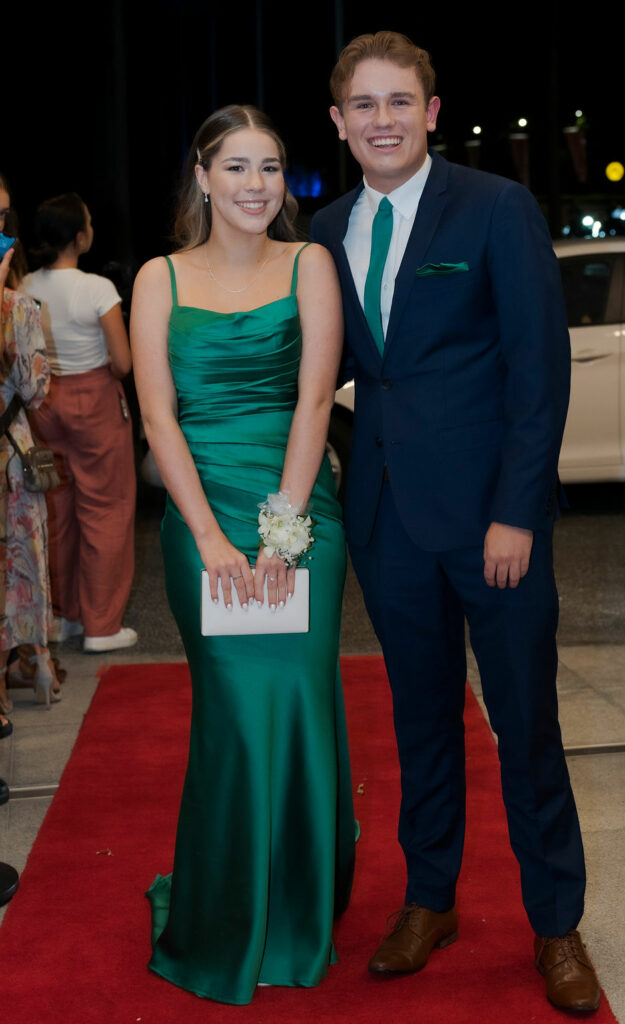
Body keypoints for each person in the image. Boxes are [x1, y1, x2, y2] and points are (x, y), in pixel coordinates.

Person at [311, 31, 600, 1014]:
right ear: (338, 121)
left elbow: (536, 370)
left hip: (491, 524)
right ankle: (429, 899)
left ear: (430, 112)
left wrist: (516, 511)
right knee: (419, 720)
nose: (382, 119)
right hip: (384, 519)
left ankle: (554, 922)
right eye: (363, 104)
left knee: (524, 724)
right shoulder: (326, 227)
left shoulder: (494, 207)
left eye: (400, 101)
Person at [130, 104, 355, 1005]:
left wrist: (282, 534)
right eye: (235, 166)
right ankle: (227, 914)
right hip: (201, 519)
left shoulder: (309, 264)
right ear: (202, 175)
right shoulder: (157, 277)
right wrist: (210, 538)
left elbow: (314, 404)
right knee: (231, 712)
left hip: (296, 514)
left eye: (269, 167)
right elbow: (157, 417)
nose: (255, 184)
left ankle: (298, 911)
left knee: (298, 700)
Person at [23, 193, 137, 653]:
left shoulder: (24, 284)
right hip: (95, 402)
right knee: (106, 509)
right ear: (79, 237)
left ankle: (62, 617)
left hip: (42, 402)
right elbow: (123, 363)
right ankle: (102, 626)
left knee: (56, 510)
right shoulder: (97, 289)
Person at [0, 207, 61, 713]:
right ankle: (36, 662)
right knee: (21, 562)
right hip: (11, 457)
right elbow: (36, 389)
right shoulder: (18, 307)